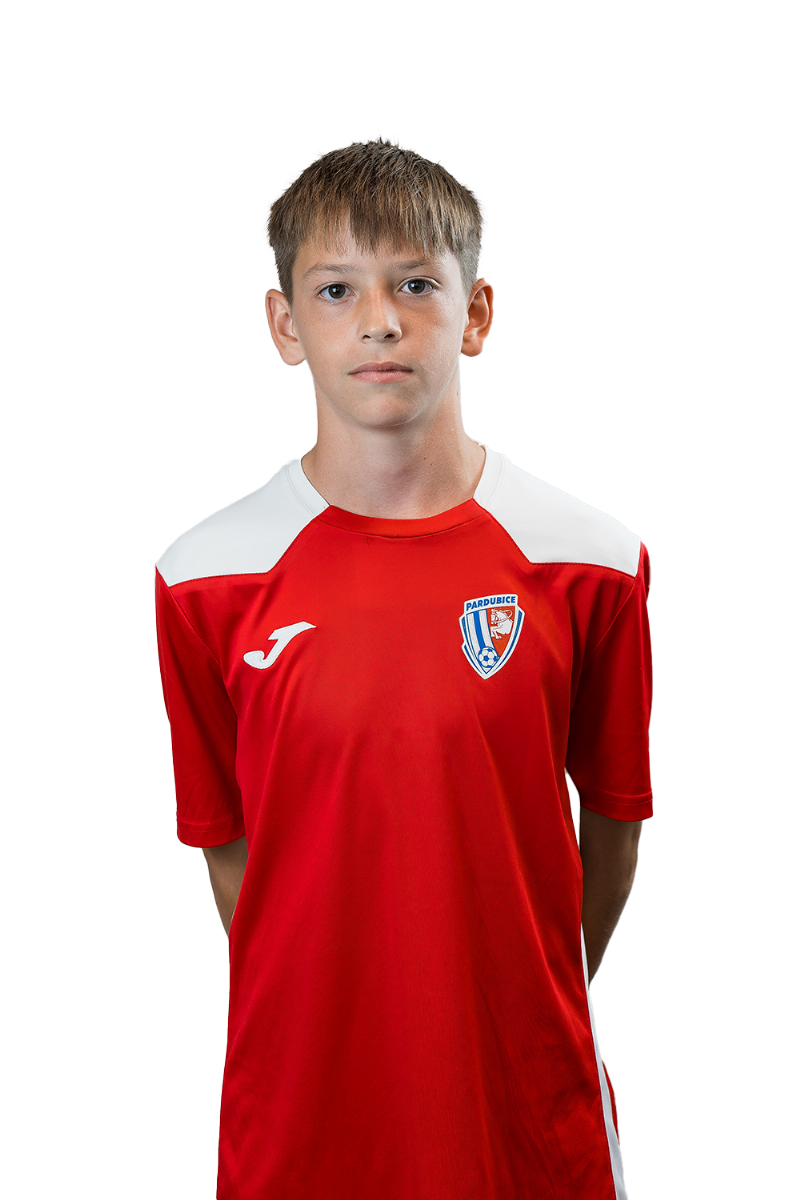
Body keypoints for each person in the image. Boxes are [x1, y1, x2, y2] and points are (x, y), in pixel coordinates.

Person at [154, 132, 653, 1200]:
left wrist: (518, 992)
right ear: (285, 324)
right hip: (301, 1120)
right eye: (336, 289)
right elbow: (231, 848)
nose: (378, 319)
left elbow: (614, 829)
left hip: (523, 1118)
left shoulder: (590, 563)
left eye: (416, 284)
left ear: (476, 314)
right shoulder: (204, 578)